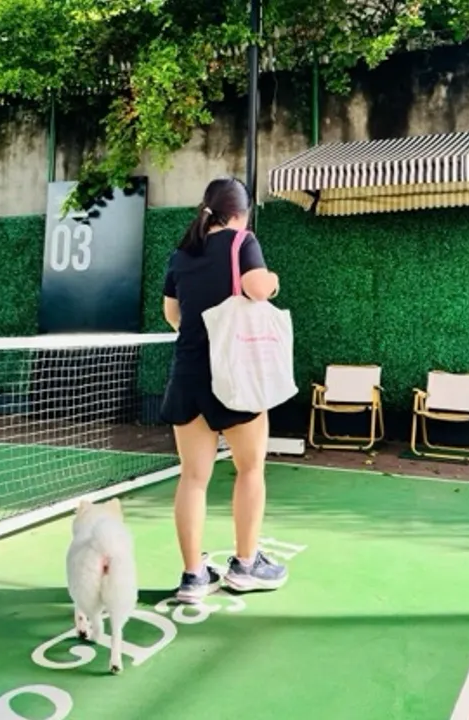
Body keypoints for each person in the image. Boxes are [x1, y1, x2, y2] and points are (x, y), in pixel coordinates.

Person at [160, 177, 289, 604]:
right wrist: (272, 279)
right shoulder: (242, 241)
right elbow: (257, 288)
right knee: (250, 470)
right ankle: (246, 566)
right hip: (236, 378)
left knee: (193, 478)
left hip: (188, 376)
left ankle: (193, 576)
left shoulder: (181, 253)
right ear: (240, 213)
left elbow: (172, 313)